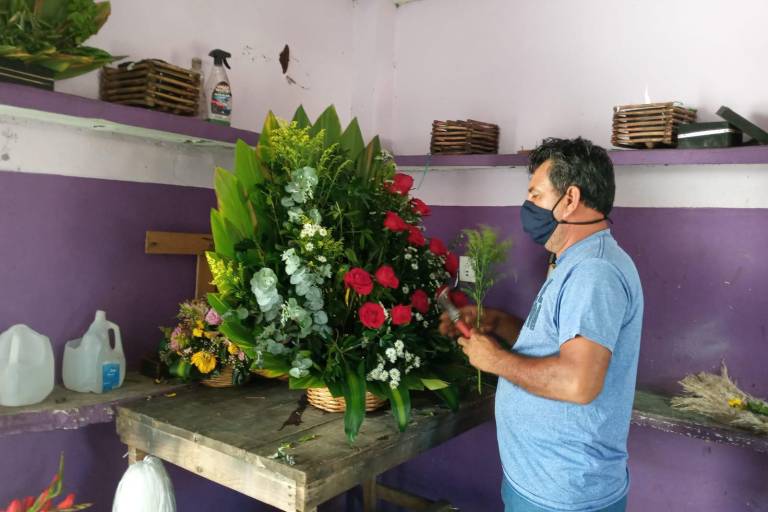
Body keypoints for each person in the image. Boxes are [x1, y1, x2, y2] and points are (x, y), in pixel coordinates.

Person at [439, 137, 643, 512]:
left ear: (570, 199)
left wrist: (495, 361)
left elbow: (577, 382)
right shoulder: (571, 261)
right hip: (540, 483)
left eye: (535, 195)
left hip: (564, 495)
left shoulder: (593, 273)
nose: (527, 206)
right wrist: (497, 323)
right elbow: (556, 344)